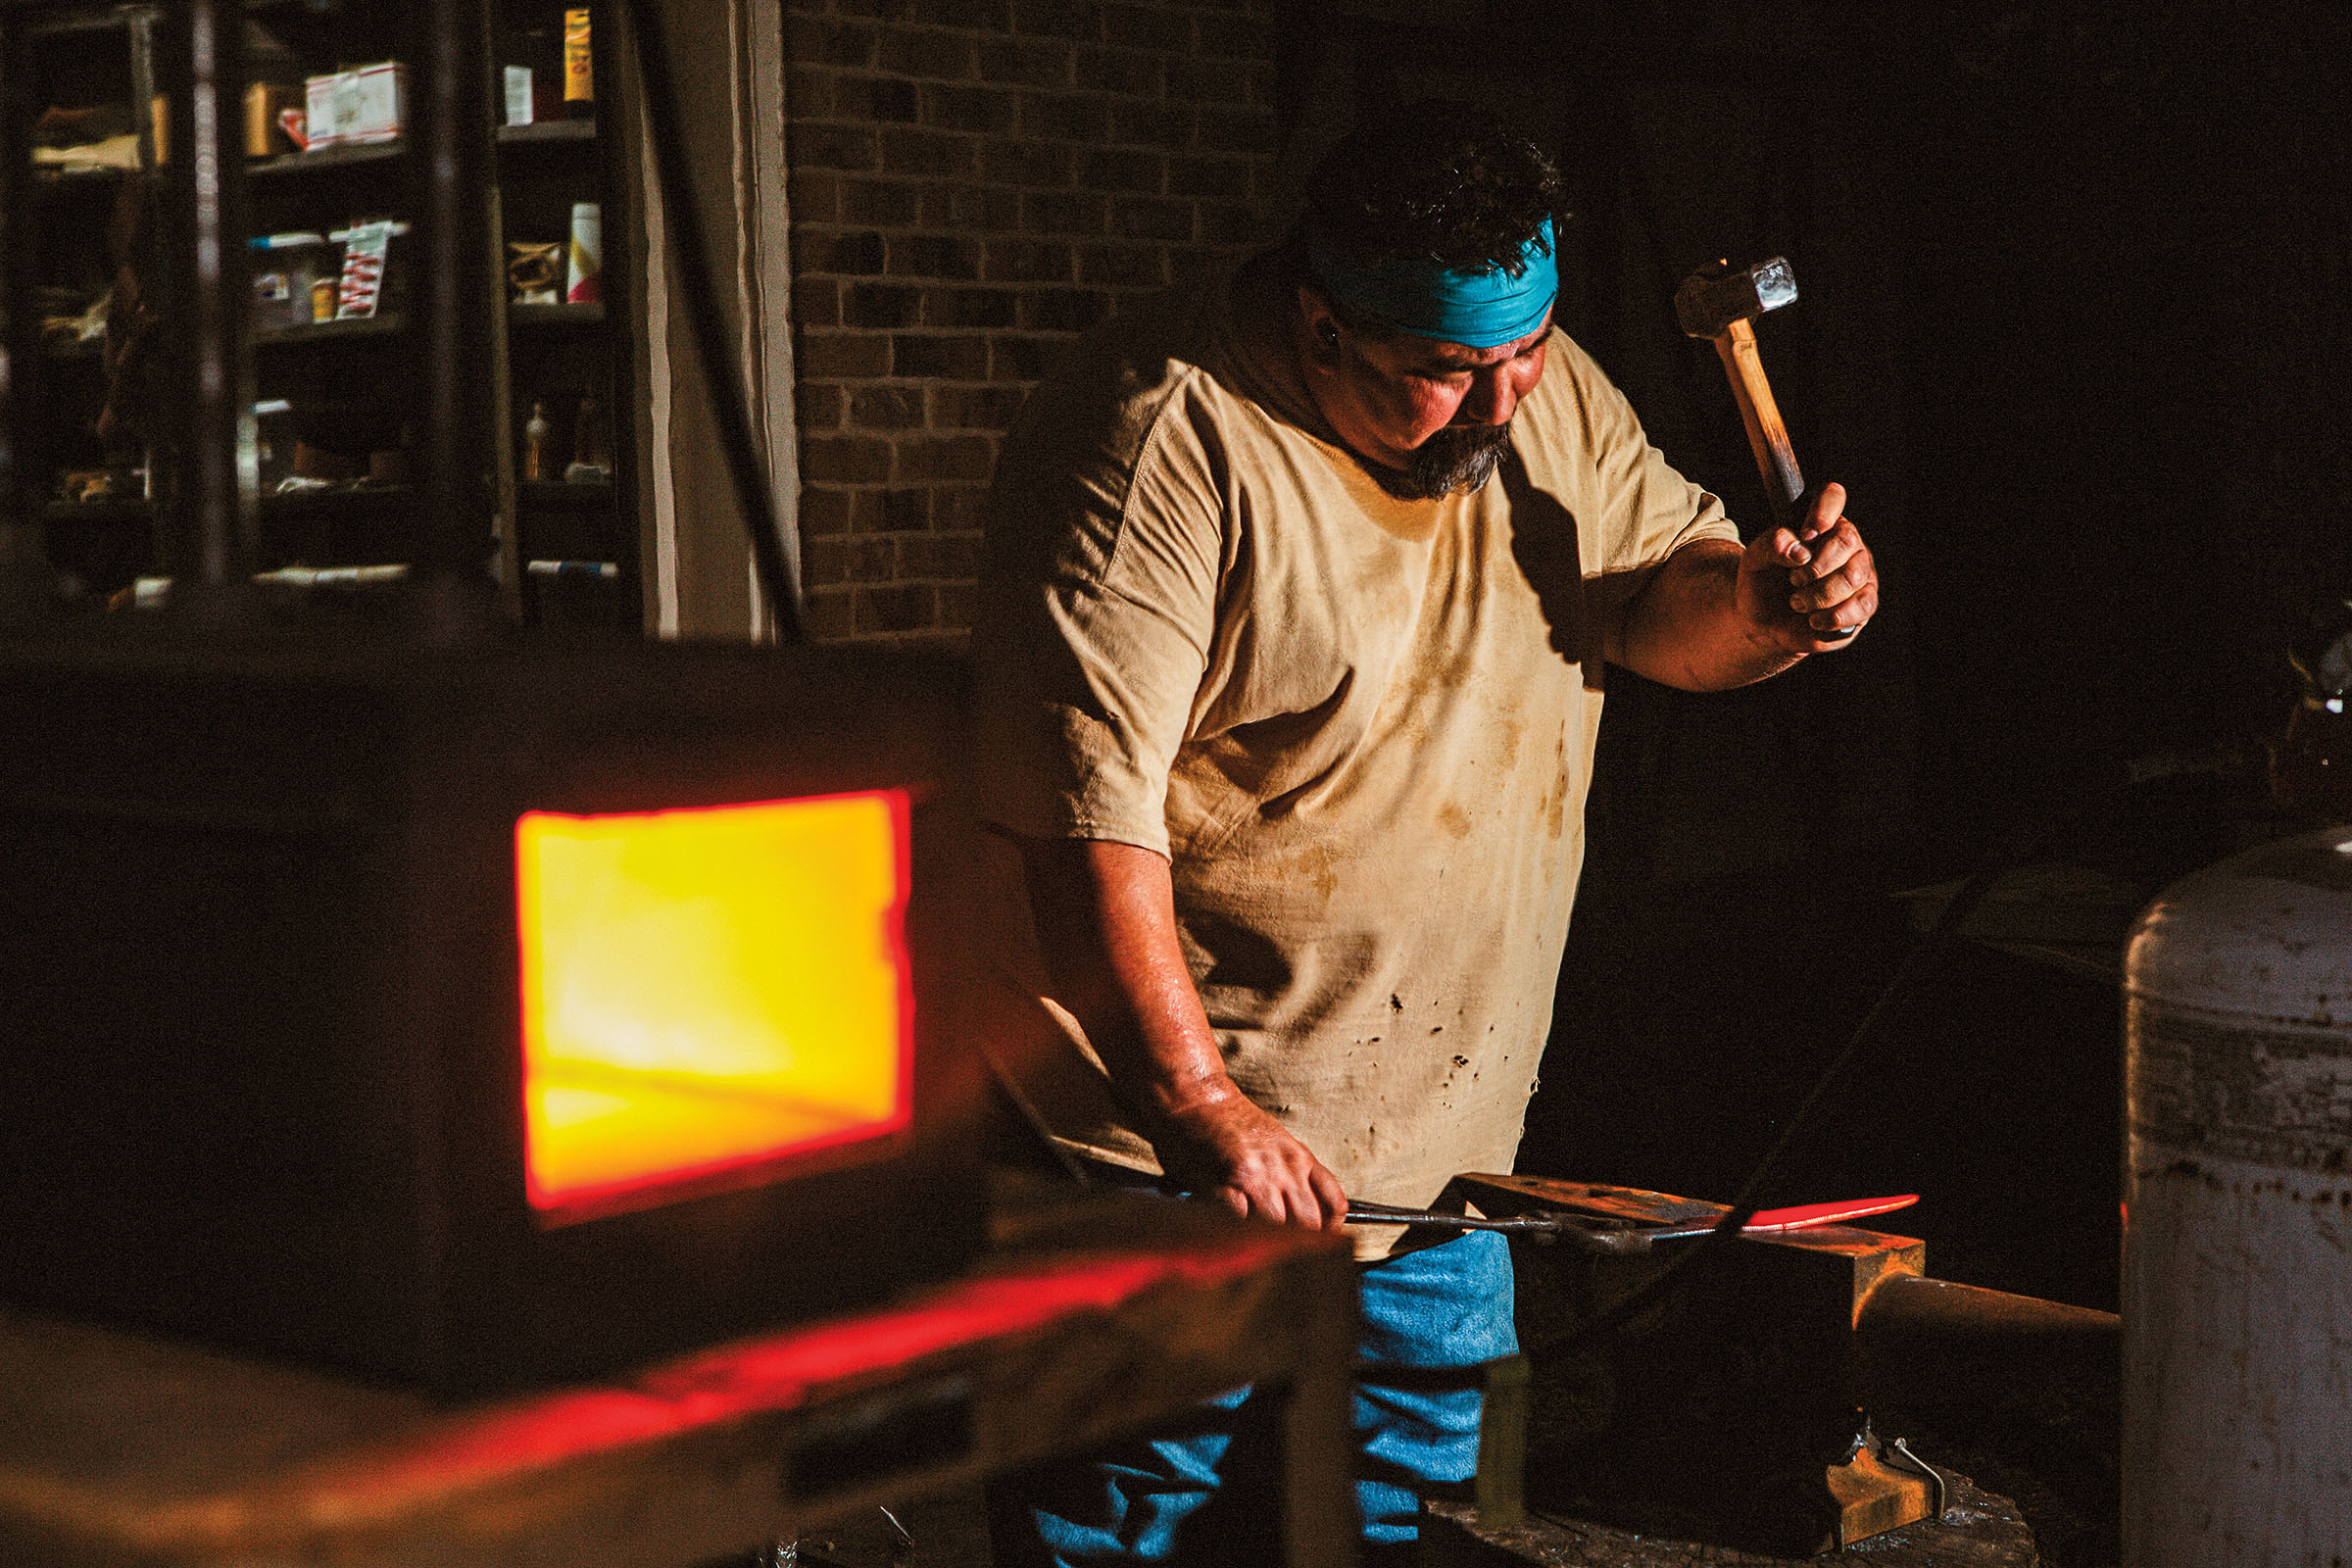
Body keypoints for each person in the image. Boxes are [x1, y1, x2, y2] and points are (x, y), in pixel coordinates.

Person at [967, 105, 1878, 1566]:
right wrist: (1205, 1111)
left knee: (1461, 1530)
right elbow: (1084, 827)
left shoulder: (1537, 383)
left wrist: (1764, 612)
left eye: (1527, 350)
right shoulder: (1158, 447)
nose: (1503, 404)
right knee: (1137, 1541)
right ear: (1323, 329)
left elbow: (1650, 602)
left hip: (1443, 1175)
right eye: (1446, 375)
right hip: (1155, 1168)